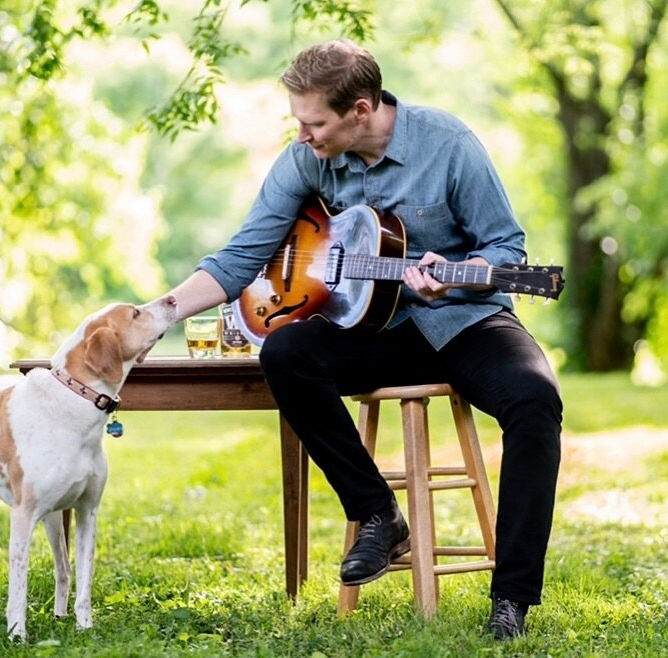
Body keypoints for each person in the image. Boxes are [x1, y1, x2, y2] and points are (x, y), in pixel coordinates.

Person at [165, 39, 561, 640]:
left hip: (463, 319)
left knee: (535, 400)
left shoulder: (447, 144)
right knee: (288, 353)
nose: (303, 135)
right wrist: (156, 314)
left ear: (361, 110)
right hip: (372, 332)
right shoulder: (306, 160)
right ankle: (377, 513)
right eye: (299, 122)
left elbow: (506, 247)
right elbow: (241, 257)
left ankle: (512, 601)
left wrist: (451, 280)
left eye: (314, 122)